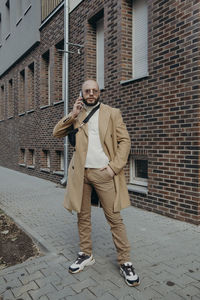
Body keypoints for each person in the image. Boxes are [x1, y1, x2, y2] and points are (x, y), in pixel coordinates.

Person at [53, 79, 140, 287]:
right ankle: (85, 254)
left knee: (114, 218)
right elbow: (57, 133)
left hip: (104, 173)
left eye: (94, 90)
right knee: (83, 216)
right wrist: (72, 114)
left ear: (99, 92)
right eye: (87, 91)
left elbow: (125, 141)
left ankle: (125, 261)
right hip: (80, 174)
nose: (91, 93)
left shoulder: (112, 113)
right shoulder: (78, 113)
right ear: (81, 93)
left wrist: (113, 167)